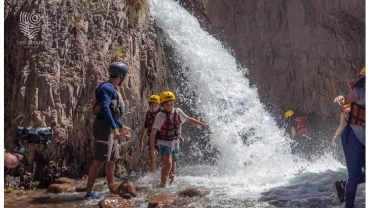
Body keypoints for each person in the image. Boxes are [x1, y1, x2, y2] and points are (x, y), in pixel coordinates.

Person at [85, 62, 132, 199]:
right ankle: (88, 192)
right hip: (103, 127)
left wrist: (121, 126)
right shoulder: (107, 88)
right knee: (99, 160)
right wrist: (114, 127)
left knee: (111, 160)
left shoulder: (110, 88)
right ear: (121, 76)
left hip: (108, 125)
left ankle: (112, 189)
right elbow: (105, 108)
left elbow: (111, 112)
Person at [149, 91, 209, 187]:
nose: (170, 106)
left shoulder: (178, 112)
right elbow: (153, 134)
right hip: (164, 142)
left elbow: (189, 119)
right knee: (168, 163)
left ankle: (170, 185)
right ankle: (162, 185)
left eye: (171, 104)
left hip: (175, 142)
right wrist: (153, 148)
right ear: (163, 105)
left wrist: (201, 124)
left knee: (172, 170)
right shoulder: (159, 116)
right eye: (167, 105)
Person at [333, 67, 367, 207]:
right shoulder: (360, 92)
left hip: (365, 139)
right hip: (352, 136)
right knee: (354, 176)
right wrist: (342, 99)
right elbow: (346, 99)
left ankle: (341, 186)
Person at [139, 94, 161, 172]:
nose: (154, 108)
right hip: (153, 138)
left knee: (164, 156)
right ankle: (153, 172)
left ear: (159, 105)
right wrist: (141, 140)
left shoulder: (162, 114)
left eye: (156, 106)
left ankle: (163, 172)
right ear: (149, 106)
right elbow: (144, 127)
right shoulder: (148, 115)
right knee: (152, 156)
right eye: (152, 106)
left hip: (162, 137)